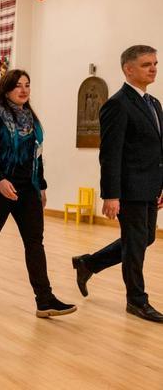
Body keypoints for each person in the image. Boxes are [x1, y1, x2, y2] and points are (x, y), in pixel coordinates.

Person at [0, 69, 76, 318]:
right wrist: (0, 180)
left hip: (27, 188)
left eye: (27, 85)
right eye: (18, 86)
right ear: (6, 89)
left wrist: (41, 185)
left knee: (34, 242)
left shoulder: (31, 119)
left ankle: (44, 300)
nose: (24, 90)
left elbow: (37, 154)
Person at [72, 45, 163, 322]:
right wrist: (111, 195)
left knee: (144, 237)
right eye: (147, 64)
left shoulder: (154, 104)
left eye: (155, 63)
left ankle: (89, 263)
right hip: (130, 188)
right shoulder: (117, 104)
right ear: (129, 69)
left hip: (150, 186)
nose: (154, 68)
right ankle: (136, 301)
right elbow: (109, 154)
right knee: (135, 245)